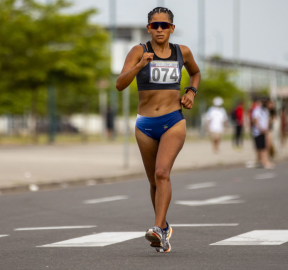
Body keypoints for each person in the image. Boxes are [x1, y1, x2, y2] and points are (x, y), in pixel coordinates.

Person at [115, 7, 200, 253]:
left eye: (164, 25)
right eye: (155, 25)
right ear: (148, 28)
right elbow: (120, 84)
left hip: (173, 120)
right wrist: (140, 65)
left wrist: (191, 92)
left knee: (162, 173)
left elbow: (195, 73)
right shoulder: (139, 51)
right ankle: (163, 230)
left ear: (172, 28)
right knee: (154, 180)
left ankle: (157, 227)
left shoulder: (182, 52)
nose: (159, 29)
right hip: (145, 124)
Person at [252, 99, 274, 169]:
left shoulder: (266, 111)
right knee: (261, 148)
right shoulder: (257, 110)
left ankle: (262, 161)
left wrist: (267, 128)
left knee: (264, 147)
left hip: (264, 132)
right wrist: (261, 129)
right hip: (258, 132)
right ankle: (264, 162)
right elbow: (255, 121)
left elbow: (267, 122)